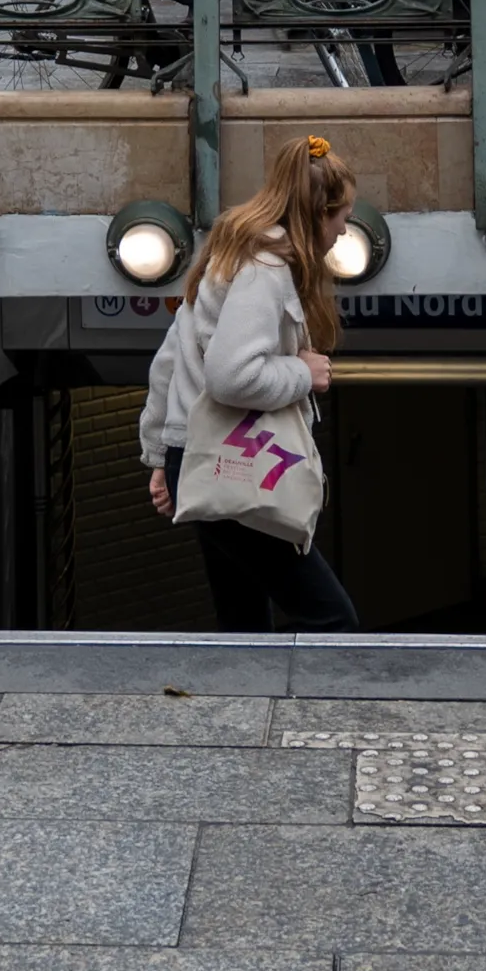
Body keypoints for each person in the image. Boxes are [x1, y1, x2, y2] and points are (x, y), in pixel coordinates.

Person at [138, 134, 362, 634]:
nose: (345, 231)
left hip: (201, 456)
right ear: (317, 215)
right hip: (234, 463)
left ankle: (243, 712)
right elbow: (230, 376)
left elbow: (170, 361)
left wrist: (161, 457)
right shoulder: (266, 271)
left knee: (241, 617)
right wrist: (306, 372)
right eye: (343, 217)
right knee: (332, 619)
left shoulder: (231, 253)